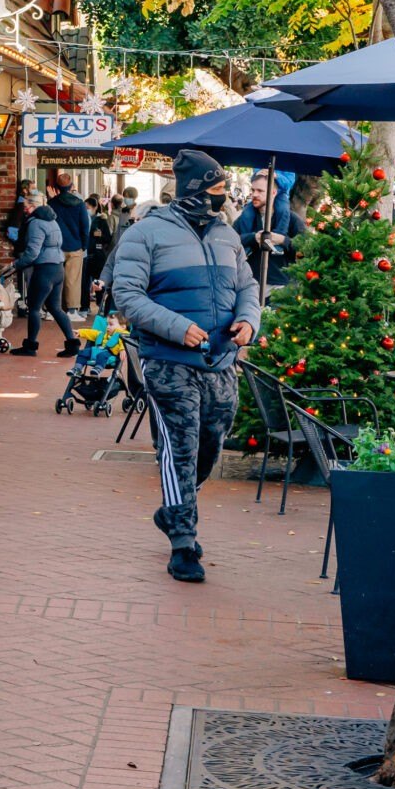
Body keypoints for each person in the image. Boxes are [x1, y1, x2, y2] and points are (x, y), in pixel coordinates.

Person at [109, 148, 262, 583]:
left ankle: (176, 505)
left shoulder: (227, 234)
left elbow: (247, 286)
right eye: (217, 188)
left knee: (211, 443)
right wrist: (178, 328)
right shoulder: (146, 233)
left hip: (221, 360)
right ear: (195, 189)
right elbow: (128, 296)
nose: (223, 196)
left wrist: (248, 320)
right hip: (169, 362)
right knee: (179, 448)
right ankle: (182, 542)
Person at [9, 194, 76, 357]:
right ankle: (72, 344)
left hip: (44, 269)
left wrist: (16, 264)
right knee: (55, 308)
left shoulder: (36, 223)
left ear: (33, 206)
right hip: (58, 268)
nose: (25, 209)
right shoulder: (52, 220)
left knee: (34, 308)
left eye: (26, 206)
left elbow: (33, 252)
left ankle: (30, 346)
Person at [234, 172, 307, 289]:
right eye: (253, 190)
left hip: (280, 286)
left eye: (260, 191)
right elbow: (230, 241)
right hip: (249, 283)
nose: (254, 194)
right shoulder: (245, 218)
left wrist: (283, 240)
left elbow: (306, 248)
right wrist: (253, 238)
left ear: (273, 193)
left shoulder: (291, 219)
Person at [48, 172, 93, 319]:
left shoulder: (52, 204)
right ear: (71, 186)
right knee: (73, 280)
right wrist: (84, 245)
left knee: (54, 278)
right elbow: (84, 227)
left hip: (56, 247)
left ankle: (53, 309)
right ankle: (72, 310)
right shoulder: (79, 204)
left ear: (56, 187)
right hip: (75, 246)